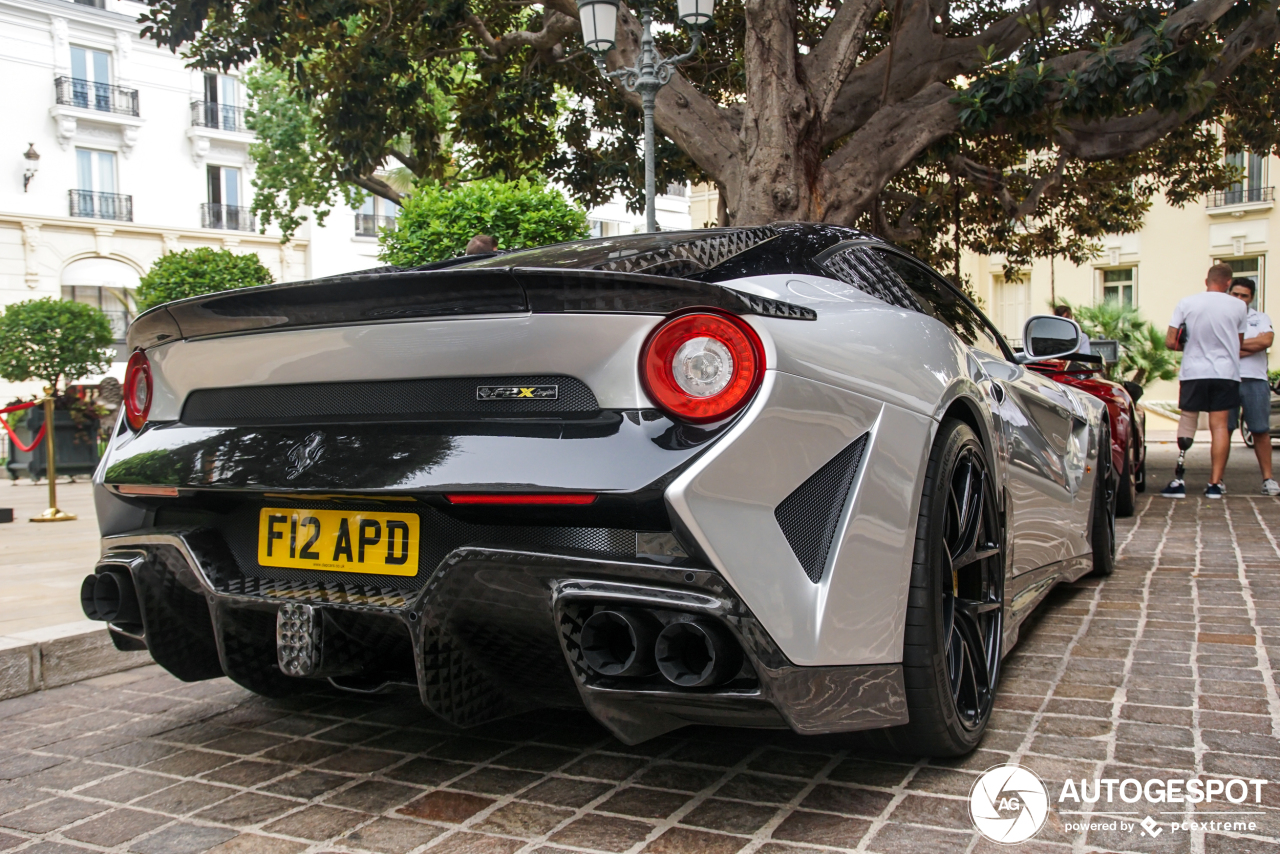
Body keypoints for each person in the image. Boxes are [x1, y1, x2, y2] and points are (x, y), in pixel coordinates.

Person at [1162, 263, 1248, 498]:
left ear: (1206, 281)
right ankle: (1214, 484)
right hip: (1225, 372)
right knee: (1219, 426)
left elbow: (1171, 341)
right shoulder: (1240, 306)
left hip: (1194, 371)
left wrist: (1189, 345)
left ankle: (1178, 481)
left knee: (1188, 420)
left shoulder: (1187, 302)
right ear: (1228, 283)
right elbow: (1238, 342)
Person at [1226, 277, 1279, 495]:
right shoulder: (1222, 317)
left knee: (1260, 430)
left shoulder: (1260, 318)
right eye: (1235, 294)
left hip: (1255, 380)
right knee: (1223, 430)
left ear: (1252, 298)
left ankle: (1268, 479)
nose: (1239, 299)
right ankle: (1216, 481)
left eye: (1244, 295)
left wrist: (1232, 344)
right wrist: (1250, 345)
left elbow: (1265, 342)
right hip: (1226, 379)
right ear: (1228, 293)